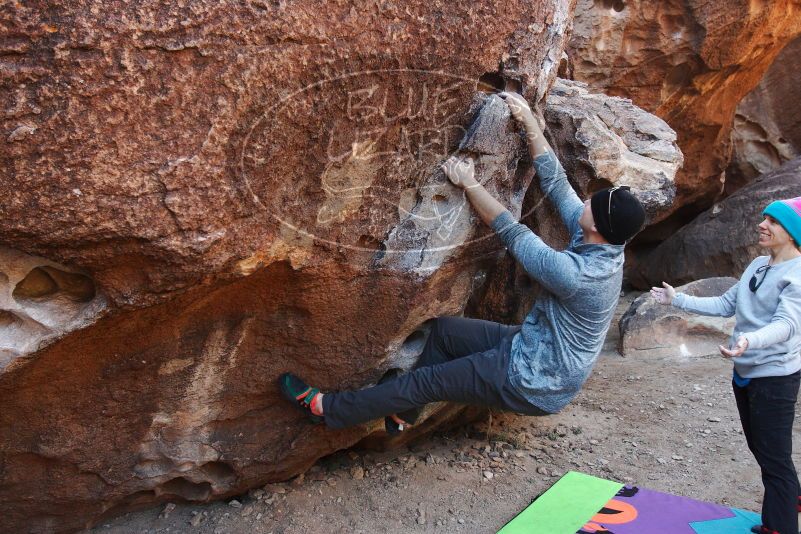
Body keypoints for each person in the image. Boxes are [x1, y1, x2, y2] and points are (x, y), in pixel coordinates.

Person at [278, 91, 646, 436]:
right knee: (443, 333)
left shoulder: (577, 276)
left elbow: (512, 232)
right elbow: (556, 183)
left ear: (596, 224)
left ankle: (330, 408)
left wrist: (468, 183)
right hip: (536, 346)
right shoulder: (604, 240)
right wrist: (529, 122)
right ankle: (402, 412)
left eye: (592, 204)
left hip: (534, 378)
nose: (584, 202)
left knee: (428, 382)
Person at [650, 197, 801, 534]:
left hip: (775, 378)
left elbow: (787, 325)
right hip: (745, 372)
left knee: (774, 459)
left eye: (773, 222)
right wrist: (678, 299)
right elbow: (724, 304)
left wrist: (751, 341)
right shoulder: (758, 266)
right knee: (762, 449)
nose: (762, 225)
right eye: (764, 219)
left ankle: (780, 526)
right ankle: (793, 496)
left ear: (792, 234)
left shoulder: (797, 275)